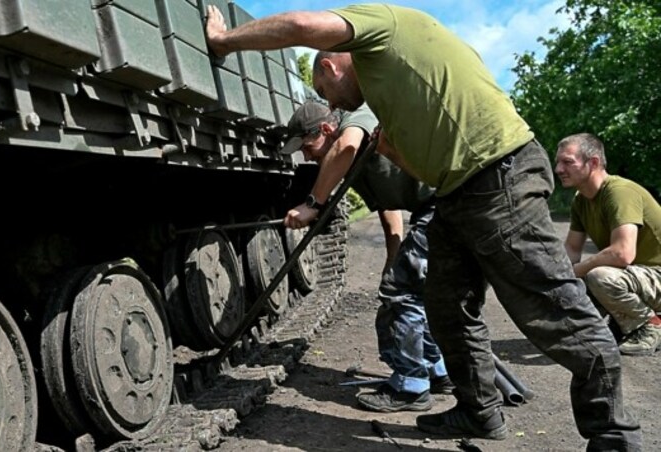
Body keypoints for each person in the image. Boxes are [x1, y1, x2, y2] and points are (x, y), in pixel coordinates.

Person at [205, 4, 642, 449]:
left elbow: (299, 26)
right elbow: (417, 169)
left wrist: (223, 41)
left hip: (497, 174)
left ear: (329, 61)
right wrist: (394, 153)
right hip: (457, 193)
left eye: (324, 87)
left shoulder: (377, 30)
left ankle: (614, 437)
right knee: (446, 306)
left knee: (558, 313)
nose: (331, 103)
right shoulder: (386, 88)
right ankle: (478, 412)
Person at [282, 100, 453, 412]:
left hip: (445, 200)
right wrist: (394, 257)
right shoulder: (354, 160)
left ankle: (410, 387)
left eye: (308, 146)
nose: (306, 156)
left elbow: (344, 146)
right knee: (408, 289)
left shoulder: (358, 117)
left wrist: (313, 203)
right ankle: (437, 370)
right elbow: (389, 206)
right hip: (433, 206)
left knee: (401, 296)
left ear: (326, 130)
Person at [556, 133, 661, 356]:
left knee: (598, 277)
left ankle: (651, 325)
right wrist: (558, 283)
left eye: (567, 162)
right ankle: (624, 322)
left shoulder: (620, 192)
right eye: (558, 162)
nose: (558, 169)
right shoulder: (581, 200)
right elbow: (572, 250)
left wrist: (577, 273)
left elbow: (622, 254)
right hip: (638, 278)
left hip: (656, 275)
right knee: (572, 300)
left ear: (592, 162)